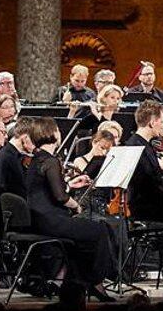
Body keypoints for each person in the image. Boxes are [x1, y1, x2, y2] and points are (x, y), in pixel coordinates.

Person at [17, 117, 118, 300]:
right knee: (100, 230)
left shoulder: (36, 159)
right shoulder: (51, 161)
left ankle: (74, 283)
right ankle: (96, 282)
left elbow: (48, 190)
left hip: (38, 219)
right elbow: (60, 197)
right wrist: (76, 205)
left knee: (81, 239)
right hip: (51, 221)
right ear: (53, 134)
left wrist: (71, 185)